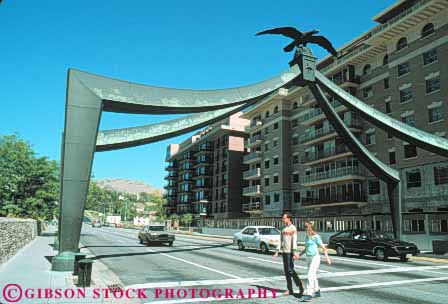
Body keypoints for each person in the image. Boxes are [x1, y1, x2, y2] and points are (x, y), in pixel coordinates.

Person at [298, 221, 332, 302]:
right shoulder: (307, 236)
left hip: (315, 258)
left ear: (310, 228)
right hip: (308, 257)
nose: (304, 228)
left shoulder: (316, 236)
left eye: (306, 227)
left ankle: (309, 294)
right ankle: (317, 291)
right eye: (305, 226)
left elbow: (324, 248)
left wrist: (327, 258)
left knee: (310, 275)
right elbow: (306, 248)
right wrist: (299, 254)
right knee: (313, 275)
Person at [274, 213, 304, 296]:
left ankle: (299, 284)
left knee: (290, 270)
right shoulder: (283, 229)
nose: (282, 219)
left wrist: (294, 252)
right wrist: (277, 251)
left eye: (284, 218)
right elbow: (280, 240)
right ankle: (290, 289)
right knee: (287, 272)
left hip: (290, 253)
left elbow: (294, 240)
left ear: (289, 219)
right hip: (284, 252)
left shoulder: (293, 228)